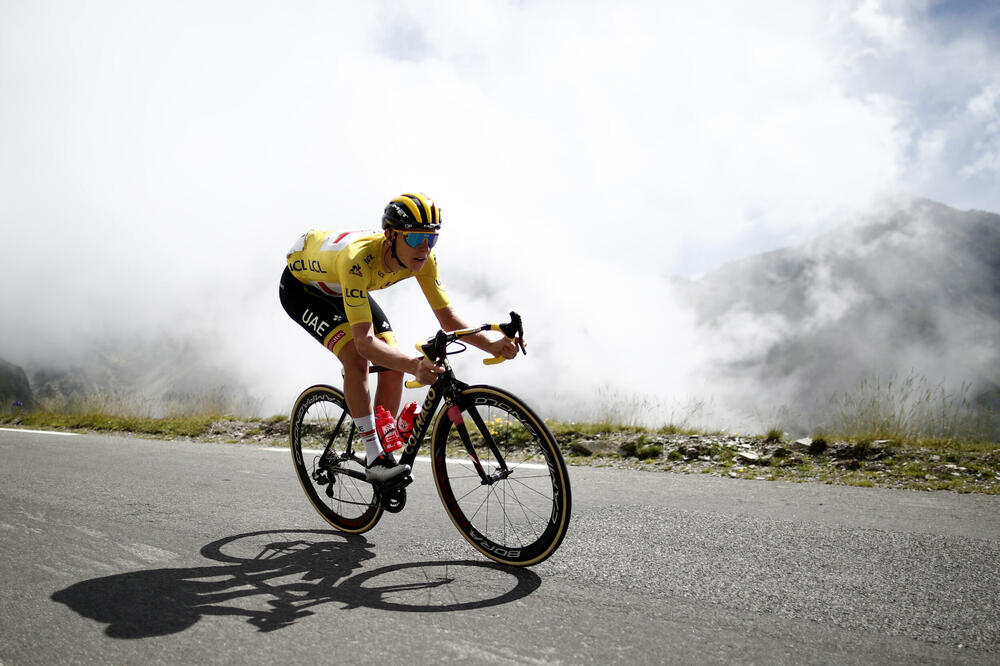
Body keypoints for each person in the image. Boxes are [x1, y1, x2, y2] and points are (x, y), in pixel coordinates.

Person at [279, 192, 522, 483]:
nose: (424, 247)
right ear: (391, 235)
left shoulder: (424, 258)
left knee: (393, 363)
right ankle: (374, 458)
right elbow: (365, 343)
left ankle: (384, 446)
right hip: (303, 290)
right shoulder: (358, 260)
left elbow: (447, 319)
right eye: (415, 238)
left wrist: (492, 344)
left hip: (340, 285)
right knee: (358, 358)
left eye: (431, 239)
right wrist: (415, 366)